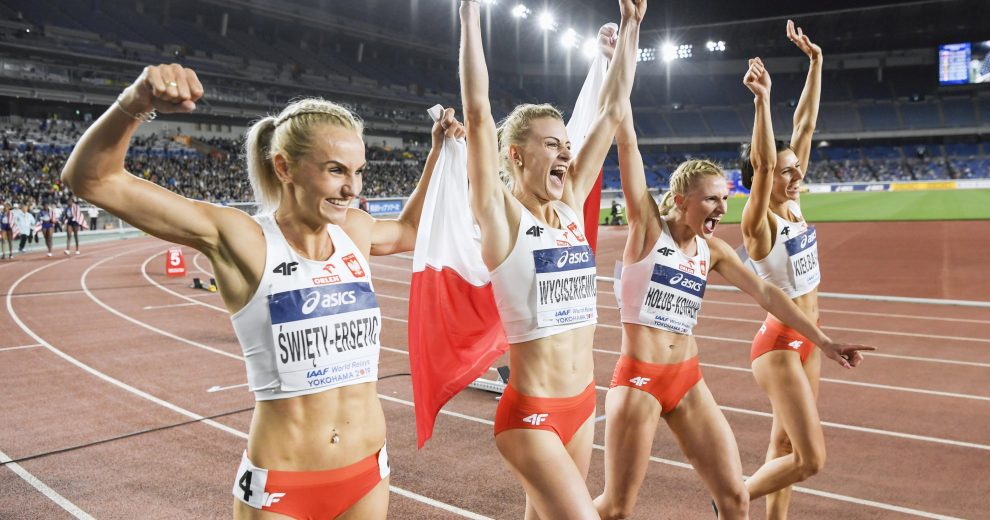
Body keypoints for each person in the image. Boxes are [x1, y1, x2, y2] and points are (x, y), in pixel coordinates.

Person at [61, 63, 463, 519]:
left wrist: (436, 154)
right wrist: (136, 102)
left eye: (359, 171)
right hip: (282, 488)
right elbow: (92, 180)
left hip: (368, 473)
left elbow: (412, 228)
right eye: (336, 171)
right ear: (284, 167)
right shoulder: (243, 238)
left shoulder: (355, 230)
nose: (352, 188)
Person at [594, 94, 874, 519]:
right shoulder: (648, 231)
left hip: (687, 380)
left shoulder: (714, 251)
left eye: (724, 199)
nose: (721, 209)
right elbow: (627, 142)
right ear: (680, 199)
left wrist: (825, 342)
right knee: (616, 508)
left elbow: (768, 295)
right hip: (639, 382)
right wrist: (621, 58)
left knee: (736, 498)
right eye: (710, 199)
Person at [459, 1, 643, 518]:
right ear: (516, 155)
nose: (566, 154)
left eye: (566, 144)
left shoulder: (567, 209)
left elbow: (611, 112)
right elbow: (477, 113)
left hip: (582, 406)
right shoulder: (502, 218)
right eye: (552, 145)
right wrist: (470, 18)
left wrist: (632, 28)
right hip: (530, 415)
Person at [739, 25, 871, 519]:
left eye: (797, 169)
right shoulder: (760, 223)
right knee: (810, 459)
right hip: (778, 345)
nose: (797, 176)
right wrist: (761, 101)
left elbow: (806, 127)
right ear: (764, 177)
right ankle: (730, 495)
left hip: (810, 338)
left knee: (785, 447)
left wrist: (816, 63)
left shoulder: (793, 206)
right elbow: (763, 160)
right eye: (785, 171)